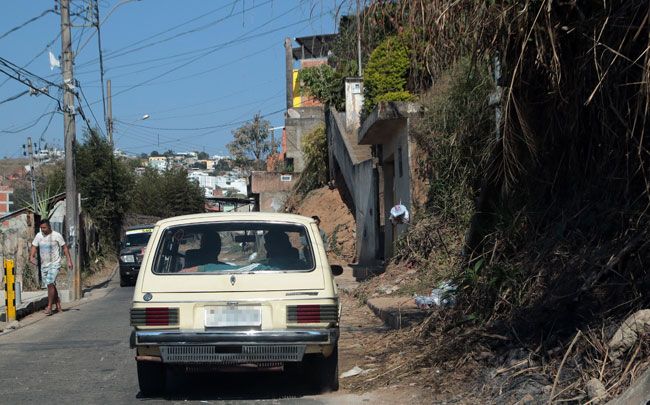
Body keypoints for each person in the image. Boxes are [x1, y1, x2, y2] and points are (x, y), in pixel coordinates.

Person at [29, 219, 72, 315]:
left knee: (49, 282)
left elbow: (64, 247)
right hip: (44, 265)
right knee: (51, 285)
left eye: (44, 227)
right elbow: (34, 246)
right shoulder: (39, 235)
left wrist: (69, 260)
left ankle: (49, 307)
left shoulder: (57, 235)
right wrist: (31, 256)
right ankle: (58, 304)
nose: (43, 229)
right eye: (41, 228)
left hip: (55, 264)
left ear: (49, 227)